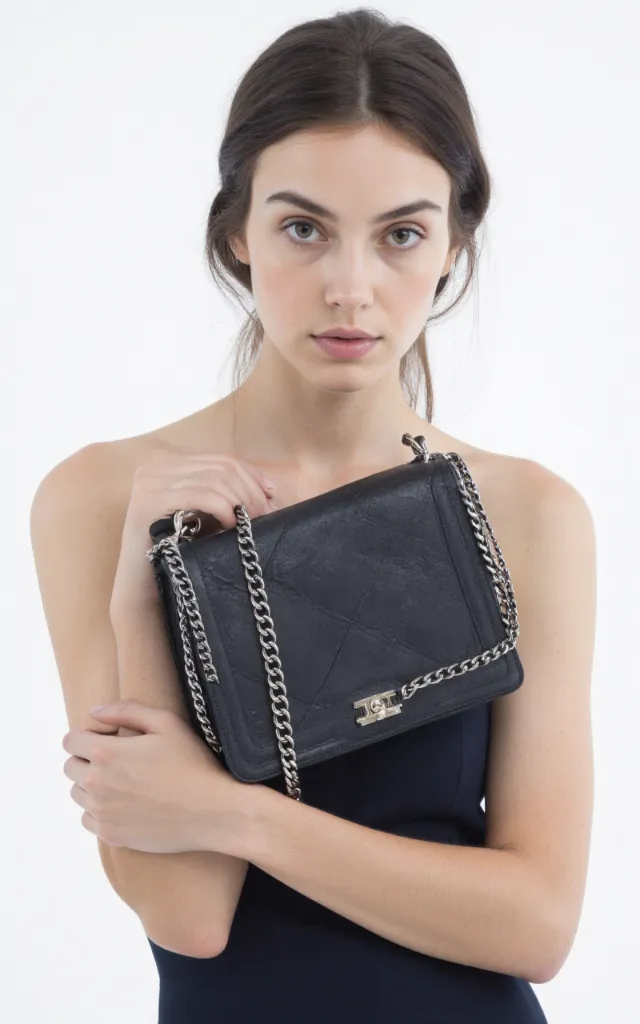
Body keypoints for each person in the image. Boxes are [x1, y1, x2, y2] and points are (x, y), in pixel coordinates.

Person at [30, 8, 596, 1023]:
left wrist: (232, 811)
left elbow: (539, 922)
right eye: (303, 227)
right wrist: (138, 594)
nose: (350, 288)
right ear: (235, 231)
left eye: (401, 235)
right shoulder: (102, 496)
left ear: (453, 245)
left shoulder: (525, 512)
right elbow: (189, 911)